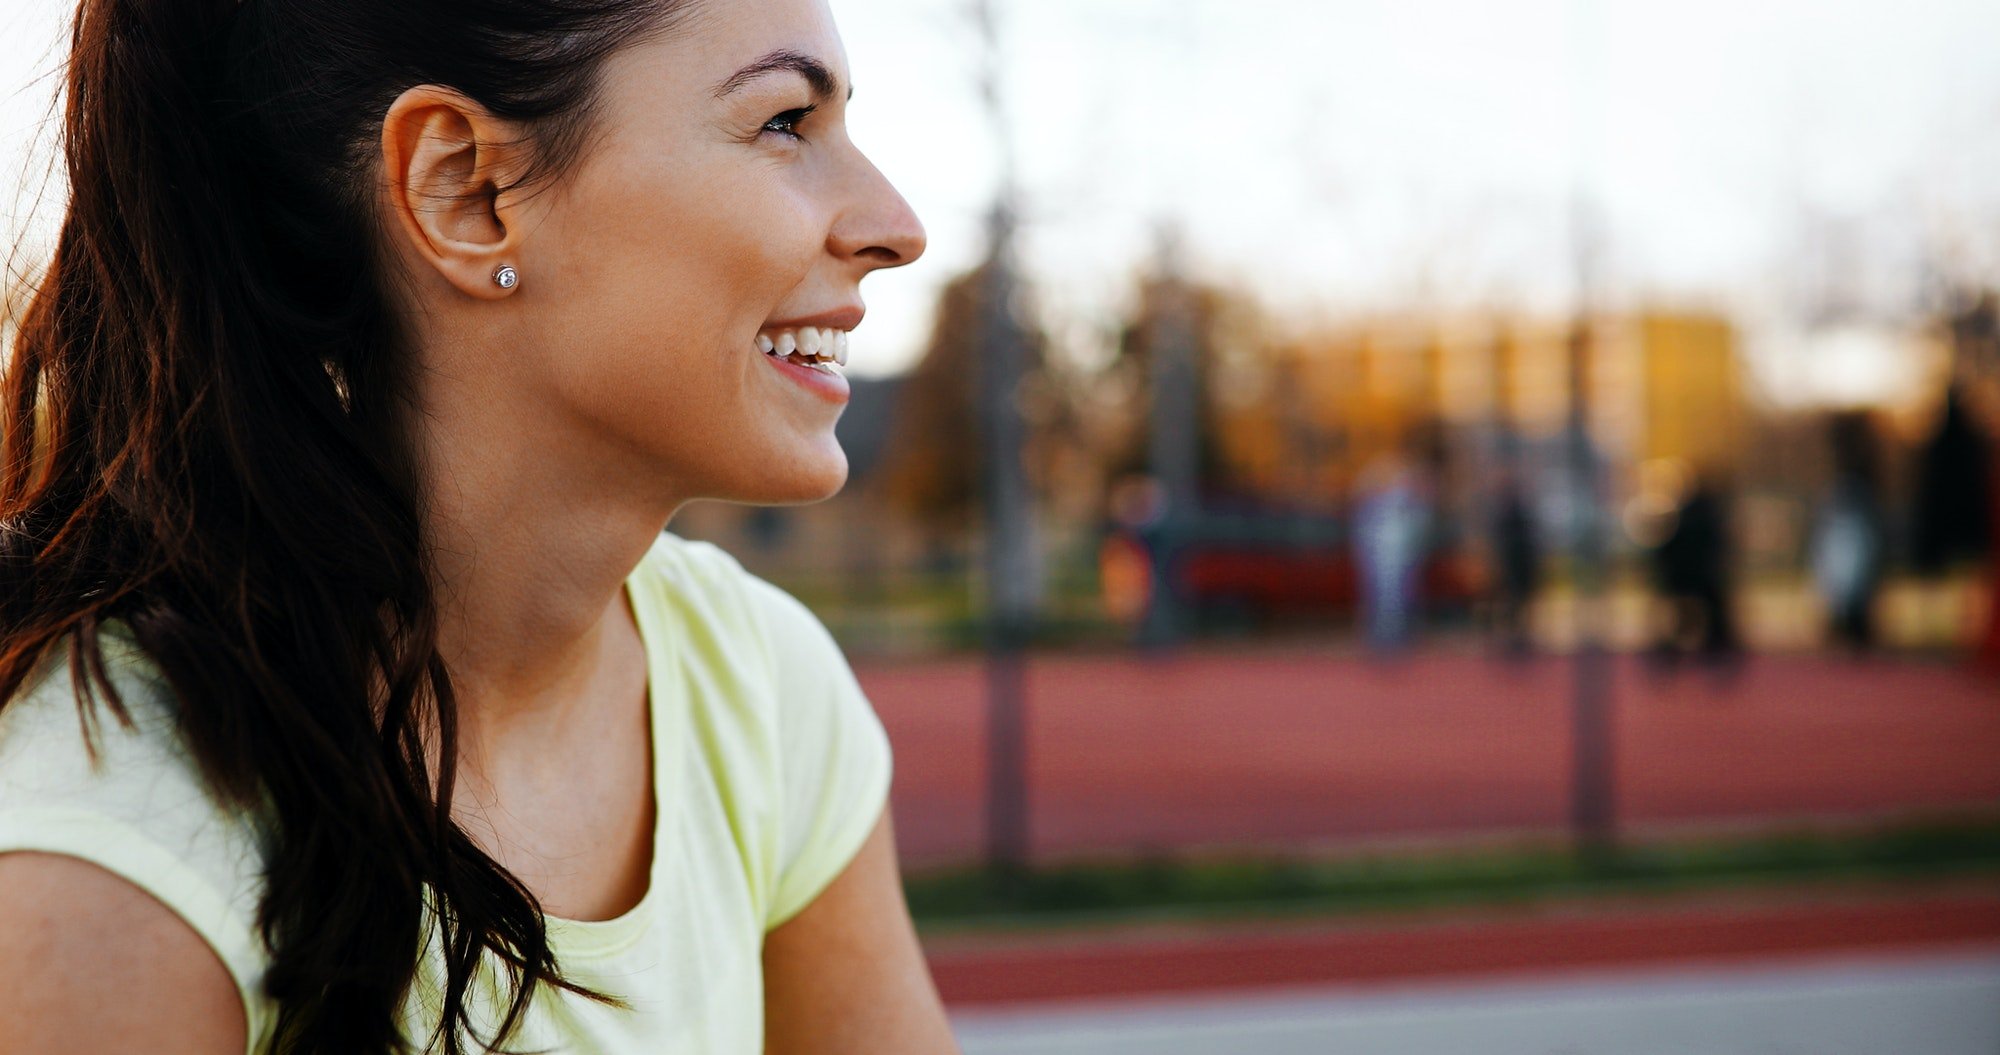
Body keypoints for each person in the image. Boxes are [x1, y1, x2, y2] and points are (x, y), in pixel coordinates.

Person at [0, 0, 954, 1052]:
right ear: (465, 190)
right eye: (784, 121)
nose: (895, 225)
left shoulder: (762, 692)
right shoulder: (114, 849)